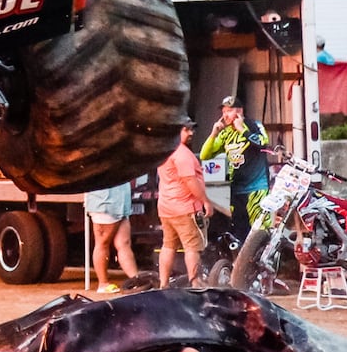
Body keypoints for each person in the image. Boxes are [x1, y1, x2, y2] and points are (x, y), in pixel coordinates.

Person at [157, 116, 230, 289]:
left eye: (192, 129)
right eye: (186, 129)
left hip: (167, 208)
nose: (191, 133)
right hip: (186, 208)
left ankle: (164, 283)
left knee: (168, 246)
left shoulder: (164, 152)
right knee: (192, 248)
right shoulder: (182, 155)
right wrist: (206, 201)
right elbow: (191, 181)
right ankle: (195, 282)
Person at [199, 95, 270, 240]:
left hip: (257, 186)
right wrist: (214, 133)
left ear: (239, 111)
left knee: (260, 227)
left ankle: (264, 257)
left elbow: (263, 143)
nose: (225, 115)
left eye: (229, 111)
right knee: (239, 228)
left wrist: (242, 130)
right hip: (236, 188)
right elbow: (204, 155)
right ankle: (242, 260)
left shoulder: (254, 125)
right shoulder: (225, 133)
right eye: (224, 111)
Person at [84, 181, 139, 293]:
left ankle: (136, 280)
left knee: (124, 243)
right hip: (104, 202)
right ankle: (103, 283)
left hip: (121, 202)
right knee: (102, 243)